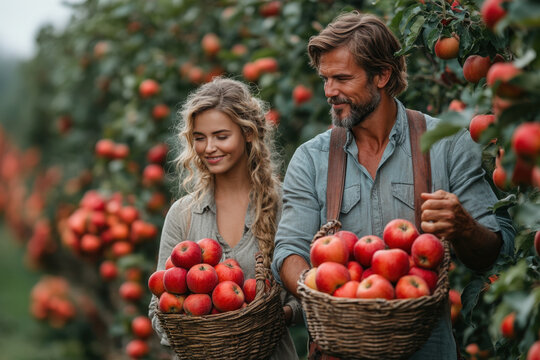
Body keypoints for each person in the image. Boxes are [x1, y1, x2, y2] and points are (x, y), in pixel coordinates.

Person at [270, 11, 515, 360]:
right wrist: (326, 289)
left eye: (341, 78)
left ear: (382, 75)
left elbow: (492, 252)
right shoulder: (312, 159)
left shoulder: (446, 144)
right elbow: (288, 251)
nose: (329, 92)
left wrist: (463, 227)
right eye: (325, 79)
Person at [148, 77, 301, 360]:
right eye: (199, 137)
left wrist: (269, 318)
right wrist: (202, 330)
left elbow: (306, 295)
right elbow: (159, 308)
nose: (209, 148)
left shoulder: (285, 205)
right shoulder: (183, 215)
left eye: (221, 136)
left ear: (248, 134)